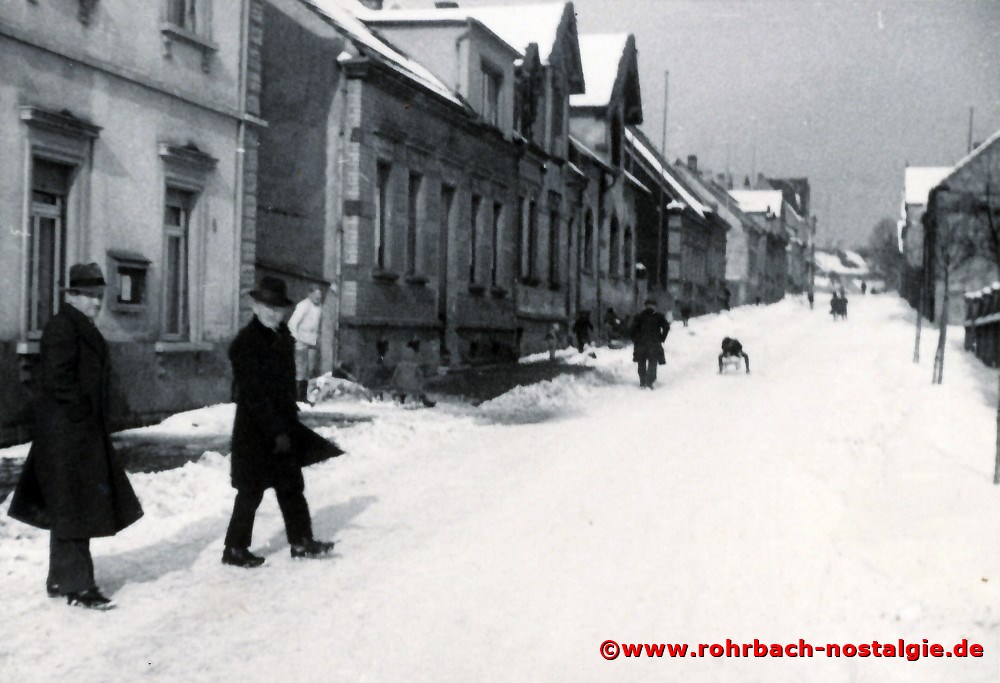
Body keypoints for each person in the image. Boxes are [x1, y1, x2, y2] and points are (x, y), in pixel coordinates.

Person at [8, 263, 144, 610]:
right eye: (90, 296)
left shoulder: (78, 324)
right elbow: (57, 380)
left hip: (73, 431)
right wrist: (83, 413)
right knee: (76, 507)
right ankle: (80, 587)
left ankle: (60, 578)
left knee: (67, 506)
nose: (97, 303)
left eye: (99, 296)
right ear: (73, 295)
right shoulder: (63, 327)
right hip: (68, 433)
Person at [223, 276, 343, 568]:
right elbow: (252, 394)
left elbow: (285, 387)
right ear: (255, 306)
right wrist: (275, 428)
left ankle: (301, 541)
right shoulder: (245, 343)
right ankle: (234, 549)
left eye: (277, 307)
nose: (272, 312)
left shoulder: (285, 339)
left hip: (281, 429)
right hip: (255, 430)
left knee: (291, 485)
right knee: (250, 490)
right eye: (266, 306)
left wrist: (287, 423)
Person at [288, 284, 324, 402]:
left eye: (320, 295)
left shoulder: (319, 308)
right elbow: (292, 323)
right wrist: (296, 338)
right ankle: (296, 397)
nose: (318, 297)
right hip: (301, 341)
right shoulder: (303, 305)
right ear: (310, 294)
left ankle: (304, 396)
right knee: (300, 369)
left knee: (310, 369)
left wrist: (318, 338)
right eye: (316, 295)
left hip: (312, 342)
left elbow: (317, 325)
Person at [629, 297, 670, 389]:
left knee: (641, 362)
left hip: (641, 344)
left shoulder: (639, 316)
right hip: (654, 344)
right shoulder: (658, 316)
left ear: (645, 306)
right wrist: (662, 338)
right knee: (652, 363)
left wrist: (636, 340)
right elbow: (666, 327)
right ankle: (649, 381)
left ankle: (643, 381)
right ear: (654, 306)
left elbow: (631, 330)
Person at [390, 339, 436, 407]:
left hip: (401, 388)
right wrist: (420, 385)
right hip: (414, 388)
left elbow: (394, 377)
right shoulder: (415, 366)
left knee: (397, 393)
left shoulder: (399, 366)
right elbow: (421, 377)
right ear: (412, 355)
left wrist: (394, 385)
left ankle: (400, 399)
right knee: (421, 394)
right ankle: (425, 401)